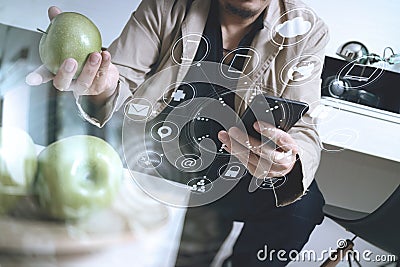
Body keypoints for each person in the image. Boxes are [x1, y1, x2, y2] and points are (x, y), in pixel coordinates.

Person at [26, 0, 329, 266]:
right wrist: (101, 88)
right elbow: (120, 77)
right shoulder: (165, 5)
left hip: (237, 169)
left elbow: (304, 125)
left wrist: (288, 156)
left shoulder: (306, 30)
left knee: (303, 205)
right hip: (156, 159)